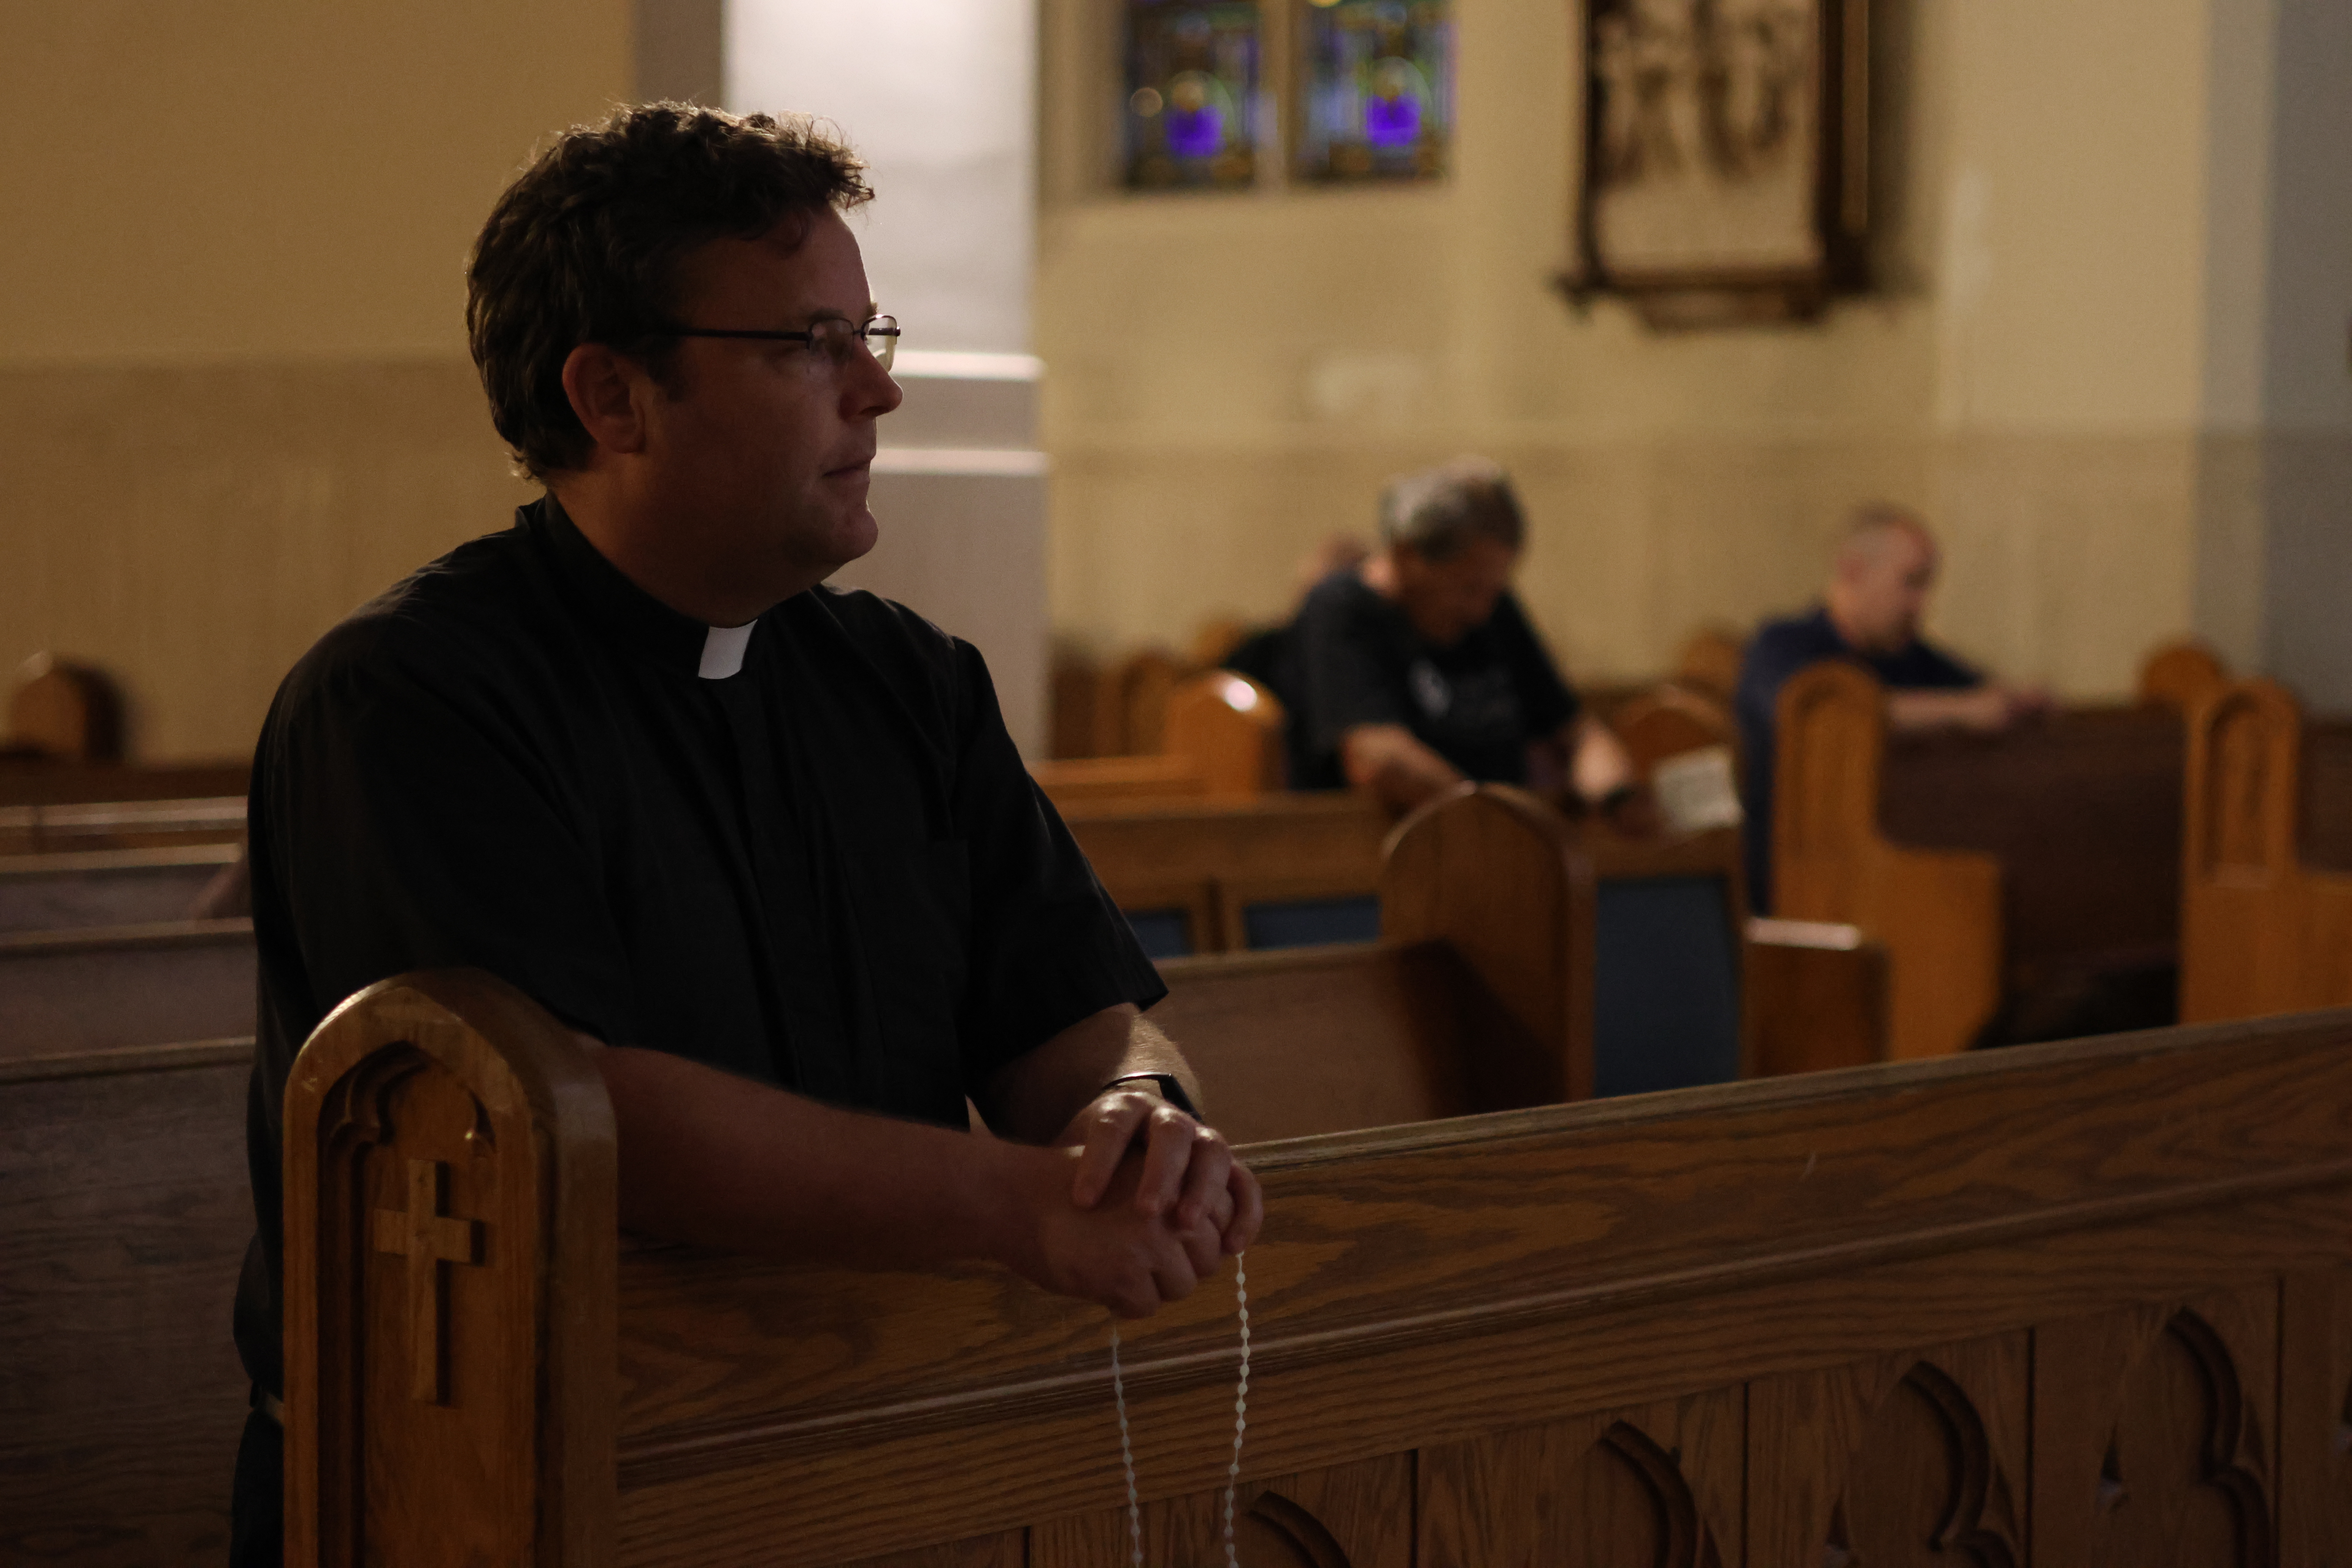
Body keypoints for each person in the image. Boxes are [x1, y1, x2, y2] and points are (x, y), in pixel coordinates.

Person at [227, 105, 1260, 1565]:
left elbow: (1074, 1014)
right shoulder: (409, 698)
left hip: (859, 1442)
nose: (879, 392)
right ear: (612, 394)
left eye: (868, 332)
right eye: (809, 345)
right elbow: (586, 1113)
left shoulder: (906, 681)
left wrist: (1134, 1124)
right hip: (494, 1483)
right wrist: (1012, 1203)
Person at [1284, 457, 1646, 822]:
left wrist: (1616, 794)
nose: (1481, 611)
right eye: (1467, 589)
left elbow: (1574, 730)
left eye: (1494, 590)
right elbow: (1378, 758)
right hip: (1395, 852)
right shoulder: (1342, 608)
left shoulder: (1494, 609)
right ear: (1407, 555)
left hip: (1492, 837)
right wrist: (1494, 822)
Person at [1735, 503, 2050, 910]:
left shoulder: (1911, 656)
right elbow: (1828, 716)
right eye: (1911, 583)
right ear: (1853, 570)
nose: (1921, 604)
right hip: (1798, 883)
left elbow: (1980, 694)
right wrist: (1959, 712)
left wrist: (2017, 703)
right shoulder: (1783, 645)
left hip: (1895, 877)